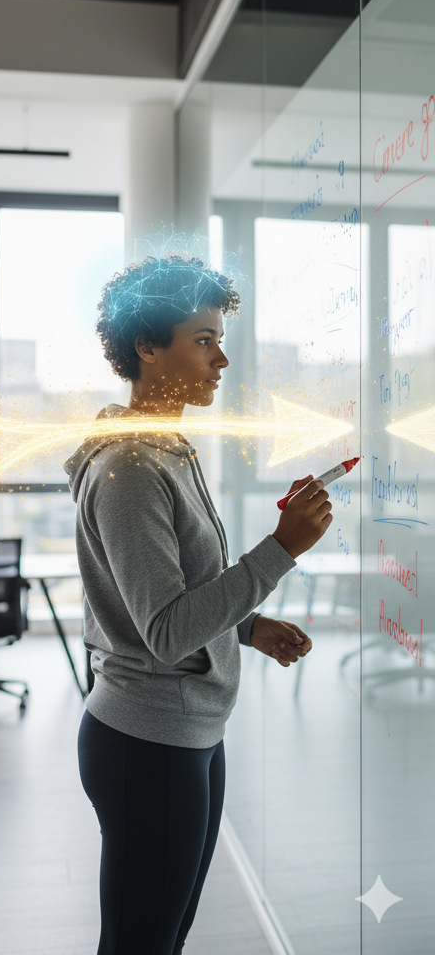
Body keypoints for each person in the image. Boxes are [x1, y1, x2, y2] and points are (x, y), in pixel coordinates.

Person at [65, 254, 332, 955]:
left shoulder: (168, 449)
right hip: (146, 744)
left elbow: (176, 593)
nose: (220, 359)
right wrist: (281, 549)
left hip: (187, 738)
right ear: (148, 347)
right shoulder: (129, 468)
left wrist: (248, 627)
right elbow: (166, 630)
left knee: (163, 939)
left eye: (219, 339)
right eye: (203, 339)